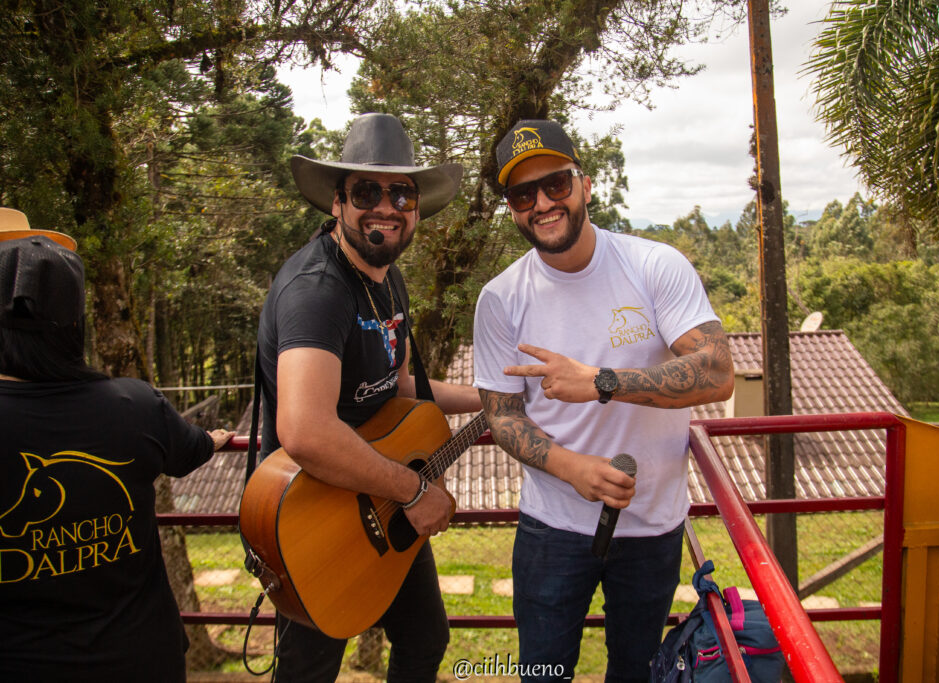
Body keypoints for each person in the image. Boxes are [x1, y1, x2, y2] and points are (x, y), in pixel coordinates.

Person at [473, 120, 735, 682]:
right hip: (551, 527)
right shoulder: (499, 299)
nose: (542, 203)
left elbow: (717, 372)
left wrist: (604, 381)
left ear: (585, 185)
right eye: (523, 194)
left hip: (651, 526)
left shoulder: (654, 266)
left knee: (635, 675)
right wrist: (573, 469)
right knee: (542, 675)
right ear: (513, 209)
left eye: (556, 184)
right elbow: (501, 412)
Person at [256, 113, 481, 681]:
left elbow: (396, 385)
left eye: (400, 192)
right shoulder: (317, 292)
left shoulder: (386, 275)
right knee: (308, 673)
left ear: (415, 208)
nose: (385, 205)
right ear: (338, 202)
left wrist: (489, 398)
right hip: (312, 520)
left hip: (377, 503)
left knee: (425, 641)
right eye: (366, 191)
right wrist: (413, 489)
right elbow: (305, 431)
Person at [0, 209, 234, 682]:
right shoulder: (133, 406)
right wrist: (212, 440)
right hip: (142, 660)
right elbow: (190, 452)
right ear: (75, 324)